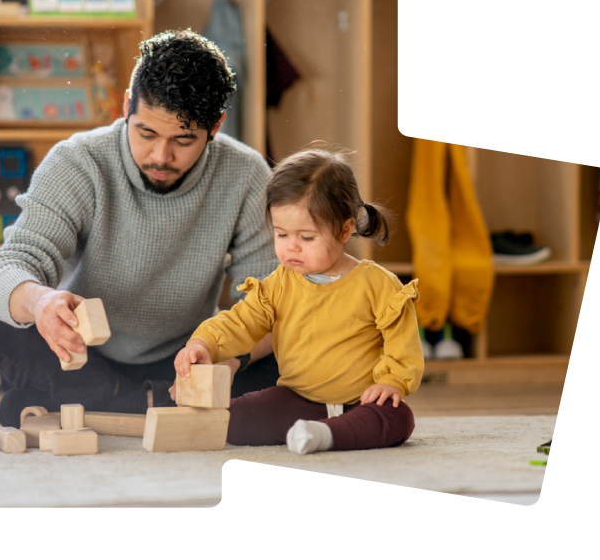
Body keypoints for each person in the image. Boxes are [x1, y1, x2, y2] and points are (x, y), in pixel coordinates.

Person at [0, 30, 281, 427]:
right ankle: (132, 403)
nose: (160, 156)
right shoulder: (78, 161)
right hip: (83, 354)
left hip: (182, 360)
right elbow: (8, 265)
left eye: (183, 140)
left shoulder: (247, 173)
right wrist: (41, 303)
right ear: (125, 108)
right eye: (146, 133)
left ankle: (77, 403)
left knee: (286, 350)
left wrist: (228, 355)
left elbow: (270, 301)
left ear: (215, 126)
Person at [172, 145, 423, 454]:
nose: (291, 248)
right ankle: (319, 431)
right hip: (297, 399)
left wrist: (392, 382)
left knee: (398, 419)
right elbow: (240, 322)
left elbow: (403, 344)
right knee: (237, 416)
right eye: (281, 235)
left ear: (345, 230)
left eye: (306, 238)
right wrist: (203, 343)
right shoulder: (278, 284)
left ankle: (326, 435)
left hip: (362, 401)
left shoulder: (377, 284)